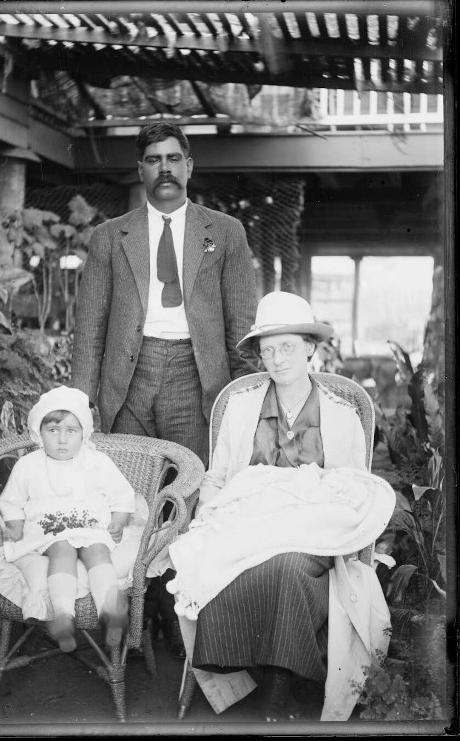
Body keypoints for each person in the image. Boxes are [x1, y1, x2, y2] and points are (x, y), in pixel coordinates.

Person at [71, 121, 258, 655]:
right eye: (154, 159)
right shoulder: (111, 236)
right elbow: (89, 328)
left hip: (196, 377)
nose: (166, 169)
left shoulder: (225, 232)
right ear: (141, 170)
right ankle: (136, 620)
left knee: (188, 500)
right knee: (132, 499)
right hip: (126, 378)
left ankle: (180, 616)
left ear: (189, 166)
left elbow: (242, 327)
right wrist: (81, 407)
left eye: (175, 158)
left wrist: (241, 404)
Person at [166, 292, 395, 722]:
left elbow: (353, 487)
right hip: (248, 523)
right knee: (227, 561)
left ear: (311, 348)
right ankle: (264, 675)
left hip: (314, 529)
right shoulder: (240, 406)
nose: (276, 358)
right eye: (267, 350)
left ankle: (276, 688)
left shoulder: (342, 414)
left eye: (287, 346)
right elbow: (217, 478)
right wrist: (205, 516)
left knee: (289, 565)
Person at [0, 386, 148, 652]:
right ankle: (63, 616)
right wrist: (15, 523)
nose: (62, 440)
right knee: (61, 552)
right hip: (50, 530)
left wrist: (119, 521)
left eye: (71, 431)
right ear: (38, 433)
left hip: (91, 526)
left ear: (84, 434)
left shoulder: (96, 461)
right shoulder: (29, 465)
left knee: (98, 552)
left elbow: (122, 496)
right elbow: (12, 501)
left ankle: (110, 614)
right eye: (53, 431)